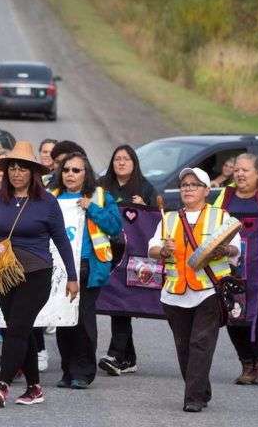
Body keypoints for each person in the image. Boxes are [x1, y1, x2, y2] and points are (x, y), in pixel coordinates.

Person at [0, 142, 79, 408]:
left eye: (22, 168)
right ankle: (34, 388)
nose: (16, 173)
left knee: (15, 328)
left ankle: (3, 383)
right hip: (2, 273)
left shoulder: (47, 202)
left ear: (32, 173)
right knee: (20, 330)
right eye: (12, 168)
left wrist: (72, 276)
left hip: (36, 274)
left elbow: (61, 240)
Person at [149, 167, 240, 413]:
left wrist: (223, 250)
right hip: (174, 293)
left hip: (209, 291)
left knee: (201, 343)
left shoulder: (221, 216)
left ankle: (193, 398)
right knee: (184, 346)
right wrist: (163, 250)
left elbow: (235, 249)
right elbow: (152, 249)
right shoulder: (168, 218)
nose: (188, 188)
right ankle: (201, 388)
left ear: (206, 190)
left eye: (194, 185)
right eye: (184, 185)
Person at [51, 152, 122, 389]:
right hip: (58, 268)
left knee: (83, 321)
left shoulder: (101, 196)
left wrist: (91, 208)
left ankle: (84, 372)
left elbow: (115, 227)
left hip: (87, 267)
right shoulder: (52, 197)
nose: (70, 174)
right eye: (66, 170)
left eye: (76, 170)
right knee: (63, 321)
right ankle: (67, 370)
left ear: (86, 173)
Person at [97, 144, 159, 376]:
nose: (121, 163)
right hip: (106, 252)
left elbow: (156, 220)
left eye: (126, 159)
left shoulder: (145, 187)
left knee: (123, 302)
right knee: (116, 301)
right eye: (117, 159)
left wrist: (144, 208)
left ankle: (116, 354)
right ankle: (126, 357)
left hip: (135, 254)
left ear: (134, 163)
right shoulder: (101, 186)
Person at [212, 154, 258, 385]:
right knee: (235, 316)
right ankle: (247, 363)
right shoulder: (225, 196)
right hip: (230, 270)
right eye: (236, 170)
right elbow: (212, 225)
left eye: (245, 170)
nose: (240, 174)